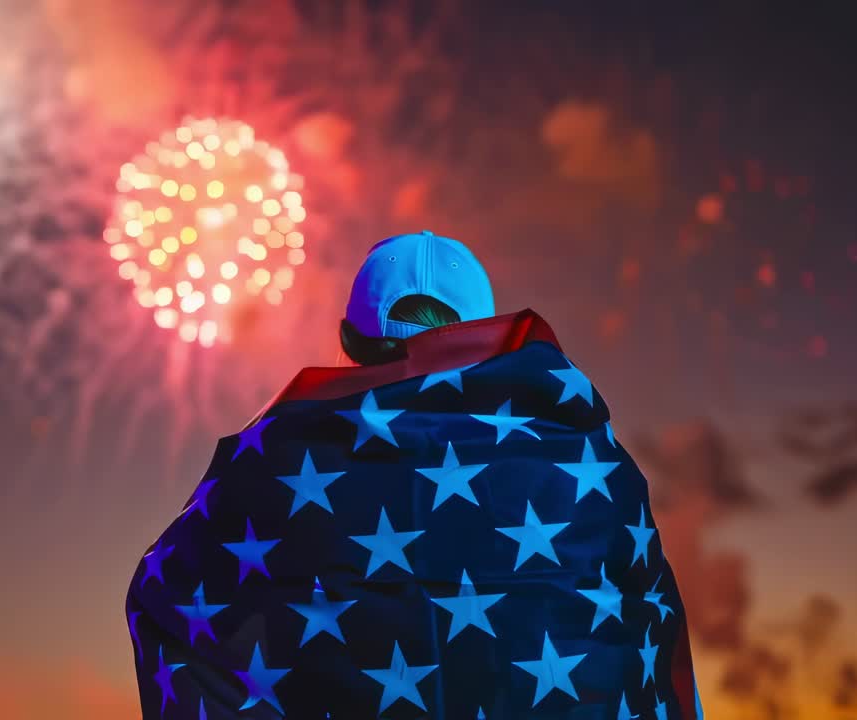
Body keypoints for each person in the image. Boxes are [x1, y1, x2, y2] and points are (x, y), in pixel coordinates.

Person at [126, 232, 703, 719]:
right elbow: (646, 642)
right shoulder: (591, 469)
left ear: (349, 343)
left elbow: (165, 602)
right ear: (490, 339)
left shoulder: (269, 469)